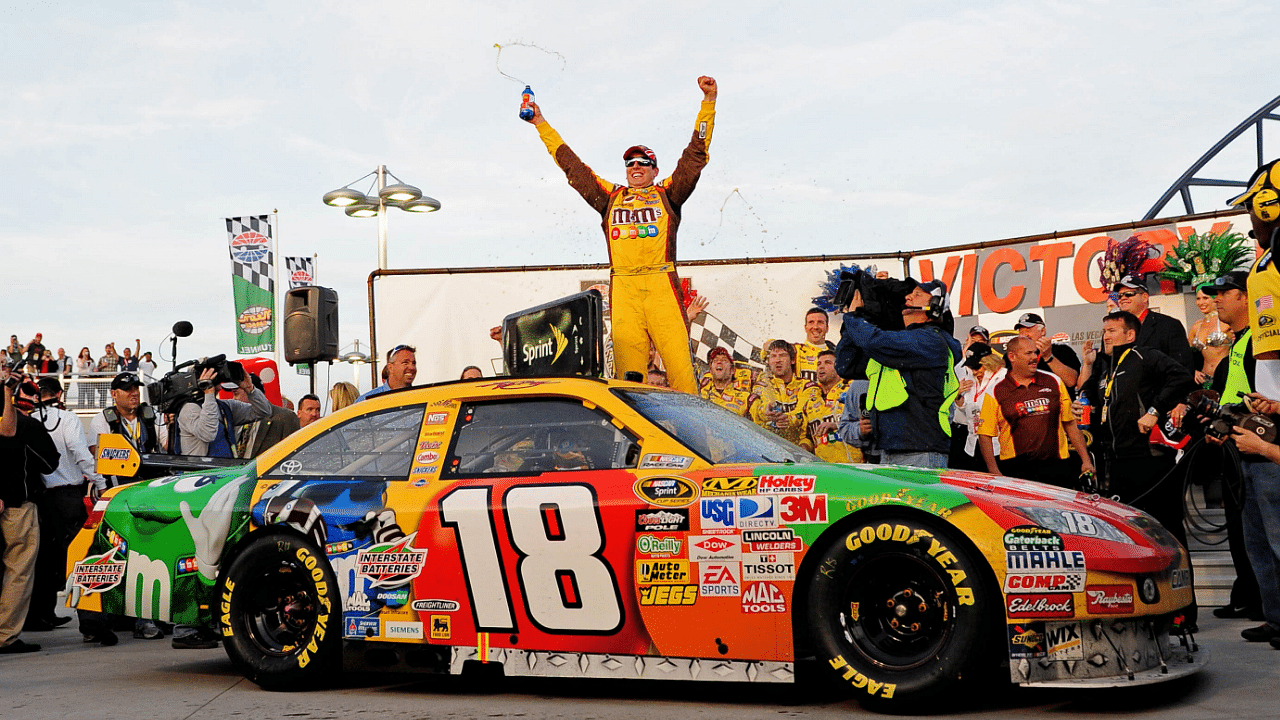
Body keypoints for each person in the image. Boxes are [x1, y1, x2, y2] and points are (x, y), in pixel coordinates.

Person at [524, 76, 718, 394]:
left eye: (644, 162)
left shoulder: (668, 193)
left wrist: (708, 102)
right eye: (630, 162)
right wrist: (540, 122)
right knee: (628, 380)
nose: (636, 166)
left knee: (683, 373)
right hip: (624, 287)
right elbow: (573, 167)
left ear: (655, 170)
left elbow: (695, 156)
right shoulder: (609, 197)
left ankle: (698, 441)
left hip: (662, 286)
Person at [1076, 310, 1197, 627]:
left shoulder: (1146, 355)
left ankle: (1183, 612)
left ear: (1131, 334)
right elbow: (1091, 397)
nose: (1107, 335)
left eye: (1113, 330)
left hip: (1150, 460)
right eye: (1104, 329)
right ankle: (1148, 608)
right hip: (1116, 465)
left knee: (1168, 533)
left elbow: (1182, 377)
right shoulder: (1108, 367)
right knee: (1132, 539)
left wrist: (1156, 411)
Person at [1224, 159, 1280, 643]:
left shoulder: (1271, 265)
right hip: (1257, 425)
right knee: (1259, 538)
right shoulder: (1266, 261)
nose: (1250, 221)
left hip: (1273, 437)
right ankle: (1276, 616)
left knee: (1277, 535)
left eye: (1254, 210)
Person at [1184, 272, 1261, 622]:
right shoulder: (1236, 346)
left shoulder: (1259, 342)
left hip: (1257, 449)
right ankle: (1251, 596)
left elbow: (1263, 401)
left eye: (1225, 292)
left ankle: (1263, 602)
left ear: (1246, 296)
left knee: (1260, 532)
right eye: (1214, 294)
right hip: (1232, 448)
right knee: (1242, 530)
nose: (1217, 299)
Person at [836, 279, 961, 468]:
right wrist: (858, 318)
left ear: (935, 306)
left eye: (917, 294)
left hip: (921, 452)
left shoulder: (931, 340)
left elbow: (874, 341)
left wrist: (855, 317)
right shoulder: (900, 346)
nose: (908, 297)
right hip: (889, 450)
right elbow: (846, 365)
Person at [28, 378, 104, 632]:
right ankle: (91, 622)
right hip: (67, 497)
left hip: (40, 498)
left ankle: (40, 615)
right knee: (82, 557)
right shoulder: (67, 419)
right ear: (59, 393)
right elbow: (80, 453)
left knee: (45, 559)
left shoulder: (30, 420)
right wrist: (100, 481)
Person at [976, 337, 1094, 486]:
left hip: (1057, 465)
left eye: (1035, 353)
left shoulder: (1054, 381)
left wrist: (1086, 460)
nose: (1034, 357)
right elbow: (984, 434)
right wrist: (994, 471)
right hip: (1016, 469)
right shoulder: (995, 390)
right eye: (1028, 353)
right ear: (1012, 357)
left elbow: (1070, 424)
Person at [0, 369, 60, 654]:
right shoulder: (26, 426)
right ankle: (4, 636)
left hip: (14, 505)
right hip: (16, 508)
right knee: (18, 573)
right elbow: (50, 464)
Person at [174, 367, 271, 457]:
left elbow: (264, 412)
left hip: (225, 472)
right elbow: (208, 434)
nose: (217, 381)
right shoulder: (189, 408)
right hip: (200, 473)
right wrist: (208, 392)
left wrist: (250, 389)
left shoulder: (225, 407)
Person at [1112, 275, 1195, 370]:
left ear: (1144, 297)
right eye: (1119, 295)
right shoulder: (1112, 330)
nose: (1123, 298)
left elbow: (1183, 368)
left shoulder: (1169, 326)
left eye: (1129, 293)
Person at [88, 372, 162, 474]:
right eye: (128, 389)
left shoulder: (152, 416)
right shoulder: (102, 420)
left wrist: (171, 425)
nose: (135, 393)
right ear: (114, 394)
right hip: (120, 480)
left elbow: (167, 443)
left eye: (136, 388)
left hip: (149, 480)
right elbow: (98, 456)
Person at [749, 340, 818, 445]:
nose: (777, 360)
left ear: (792, 360)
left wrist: (789, 419)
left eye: (782, 355)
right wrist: (765, 413)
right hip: (767, 446)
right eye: (773, 356)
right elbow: (760, 406)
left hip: (798, 449)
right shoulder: (763, 384)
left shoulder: (806, 386)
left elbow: (803, 413)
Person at [800, 350, 861, 462]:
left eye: (827, 363)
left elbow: (867, 425)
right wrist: (803, 448)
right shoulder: (810, 400)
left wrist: (837, 425)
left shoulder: (852, 391)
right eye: (819, 364)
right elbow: (807, 437)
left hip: (853, 467)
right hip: (823, 470)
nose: (821, 367)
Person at [951, 345, 1002, 471]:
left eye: (978, 367)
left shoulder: (1003, 379)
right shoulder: (970, 380)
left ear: (990, 361)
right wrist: (957, 396)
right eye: (971, 367)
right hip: (972, 446)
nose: (974, 372)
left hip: (996, 447)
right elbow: (966, 409)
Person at [232, 375, 300, 458]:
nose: (234, 399)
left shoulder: (285, 418)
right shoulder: (236, 419)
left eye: (236, 394)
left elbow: (293, 456)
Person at [1013, 313, 1081, 389]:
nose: (1025, 335)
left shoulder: (1061, 350)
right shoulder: (1013, 356)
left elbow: (1071, 381)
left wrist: (1048, 357)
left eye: (1028, 330)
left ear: (1042, 331)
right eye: (1021, 332)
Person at [1189, 284, 1233, 386]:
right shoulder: (1196, 326)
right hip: (1204, 379)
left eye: (1205, 298)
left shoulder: (1226, 321)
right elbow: (1186, 355)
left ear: (1215, 299)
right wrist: (1193, 370)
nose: (1201, 303)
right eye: (1198, 299)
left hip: (1226, 377)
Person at [698, 347, 750, 416]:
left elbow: (762, 414)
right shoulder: (699, 389)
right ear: (710, 370)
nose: (719, 362)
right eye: (715, 360)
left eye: (724, 360)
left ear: (732, 370)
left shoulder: (746, 398)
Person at [795, 308, 836, 382]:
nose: (815, 327)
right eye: (811, 322)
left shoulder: (836, 354)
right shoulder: (795, 350)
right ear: (805, 328)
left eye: (820, 322)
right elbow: (770, 350)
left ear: (827, 328)